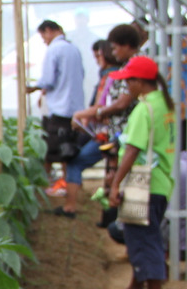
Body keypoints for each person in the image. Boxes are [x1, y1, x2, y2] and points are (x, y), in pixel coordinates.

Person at [103, 55, 176, 289]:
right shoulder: (163, 104)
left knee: (144, 238)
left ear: (140, 82)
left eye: (129, 82)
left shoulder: (144, 109)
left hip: (143, 182)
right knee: (139, 234)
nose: (127, 88)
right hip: (159, 181)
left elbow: (133, 149)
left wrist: (115, 183)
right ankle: (136, 287)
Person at [57, 24, 142, 217]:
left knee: (128, 190)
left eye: (113, 48)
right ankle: (116, 219)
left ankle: (116, 218)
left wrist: (98, 112)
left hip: (120, 138)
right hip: (115, 137)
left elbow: (119, 103)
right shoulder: (124, 73)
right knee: (116, 175)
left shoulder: (142, 110)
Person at [26, 19, 86, 197]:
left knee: (51, 149)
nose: (44, 40)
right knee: (69, 149)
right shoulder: (73, 49)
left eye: (43, 35)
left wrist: (34, 87)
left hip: (59, 107)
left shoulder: (54, 49)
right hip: (74, 107)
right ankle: (67, 184)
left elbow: (48, 79)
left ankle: (50, 186)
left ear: (49, 30)